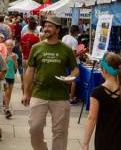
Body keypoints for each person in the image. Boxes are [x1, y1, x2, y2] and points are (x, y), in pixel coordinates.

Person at [22, 17, 79, 150]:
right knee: (34, 128)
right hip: (39, 93)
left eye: (50, 26)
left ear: (58, 30)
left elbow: (75, 69)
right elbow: (30, 70)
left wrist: (71, 76)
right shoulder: (36, 48)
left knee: (60, 132)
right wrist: (26, 93)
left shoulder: (66, 49)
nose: (46, 28)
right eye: (45, 26)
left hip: (60, 96)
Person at [82, 52, 121, 150]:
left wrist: (85, 143)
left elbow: (91, 118)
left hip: (104, 140)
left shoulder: (97, 92)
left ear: (104, 70)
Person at [62, 25, 80, 105]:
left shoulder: (65, 37)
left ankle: (65, 96)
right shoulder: (74, 41)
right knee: (73, 80)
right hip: (72, 63)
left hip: (65, 61)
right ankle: (71, 98)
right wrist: (82, 52)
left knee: (66, 79)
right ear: (76, 32)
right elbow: (73, 55)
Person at [4, 39, 17, 119]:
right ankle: (6, 109)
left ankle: (6, 106)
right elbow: (3, 65)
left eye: (11, 45)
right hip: (5, 76)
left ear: (13, 46)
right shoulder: (4, 54)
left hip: (11, 76)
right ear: (5, 46)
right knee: (7, 92)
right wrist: (6, 58)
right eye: (8, 45)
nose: (9, 46)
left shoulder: (15, 55)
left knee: (9, 93)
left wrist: (15, 60)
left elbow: (16, 68)